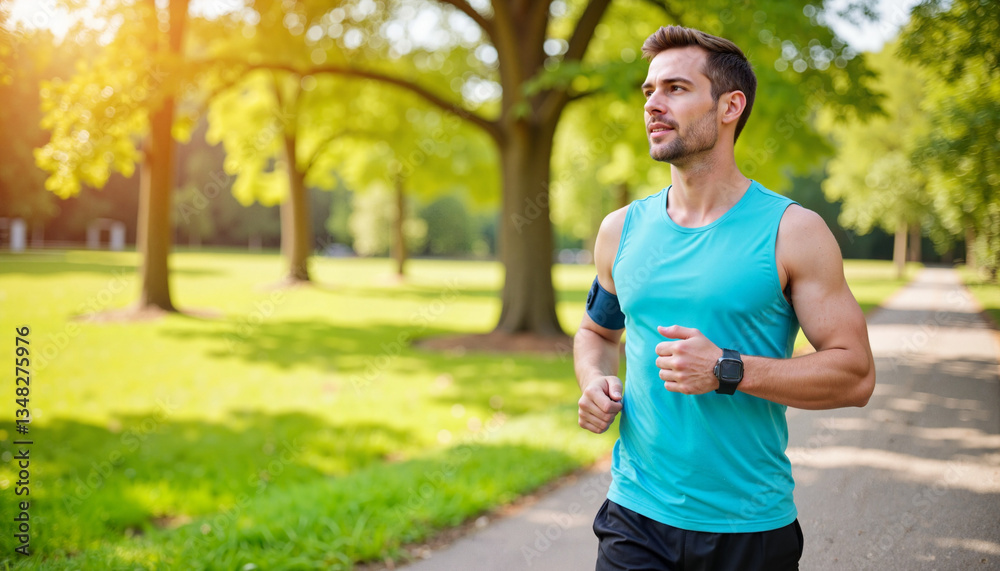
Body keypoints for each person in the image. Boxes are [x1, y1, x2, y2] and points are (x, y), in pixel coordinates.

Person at [574, 25, 876, 570]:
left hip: (748, 528)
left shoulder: (793, 231)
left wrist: (726, 369)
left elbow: (855, 376)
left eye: (676, 89)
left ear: (730, 106)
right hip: (634, 517)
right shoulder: (620, 230)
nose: (653, 105)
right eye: (649, 91)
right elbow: (597, 331)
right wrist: (594, 380)